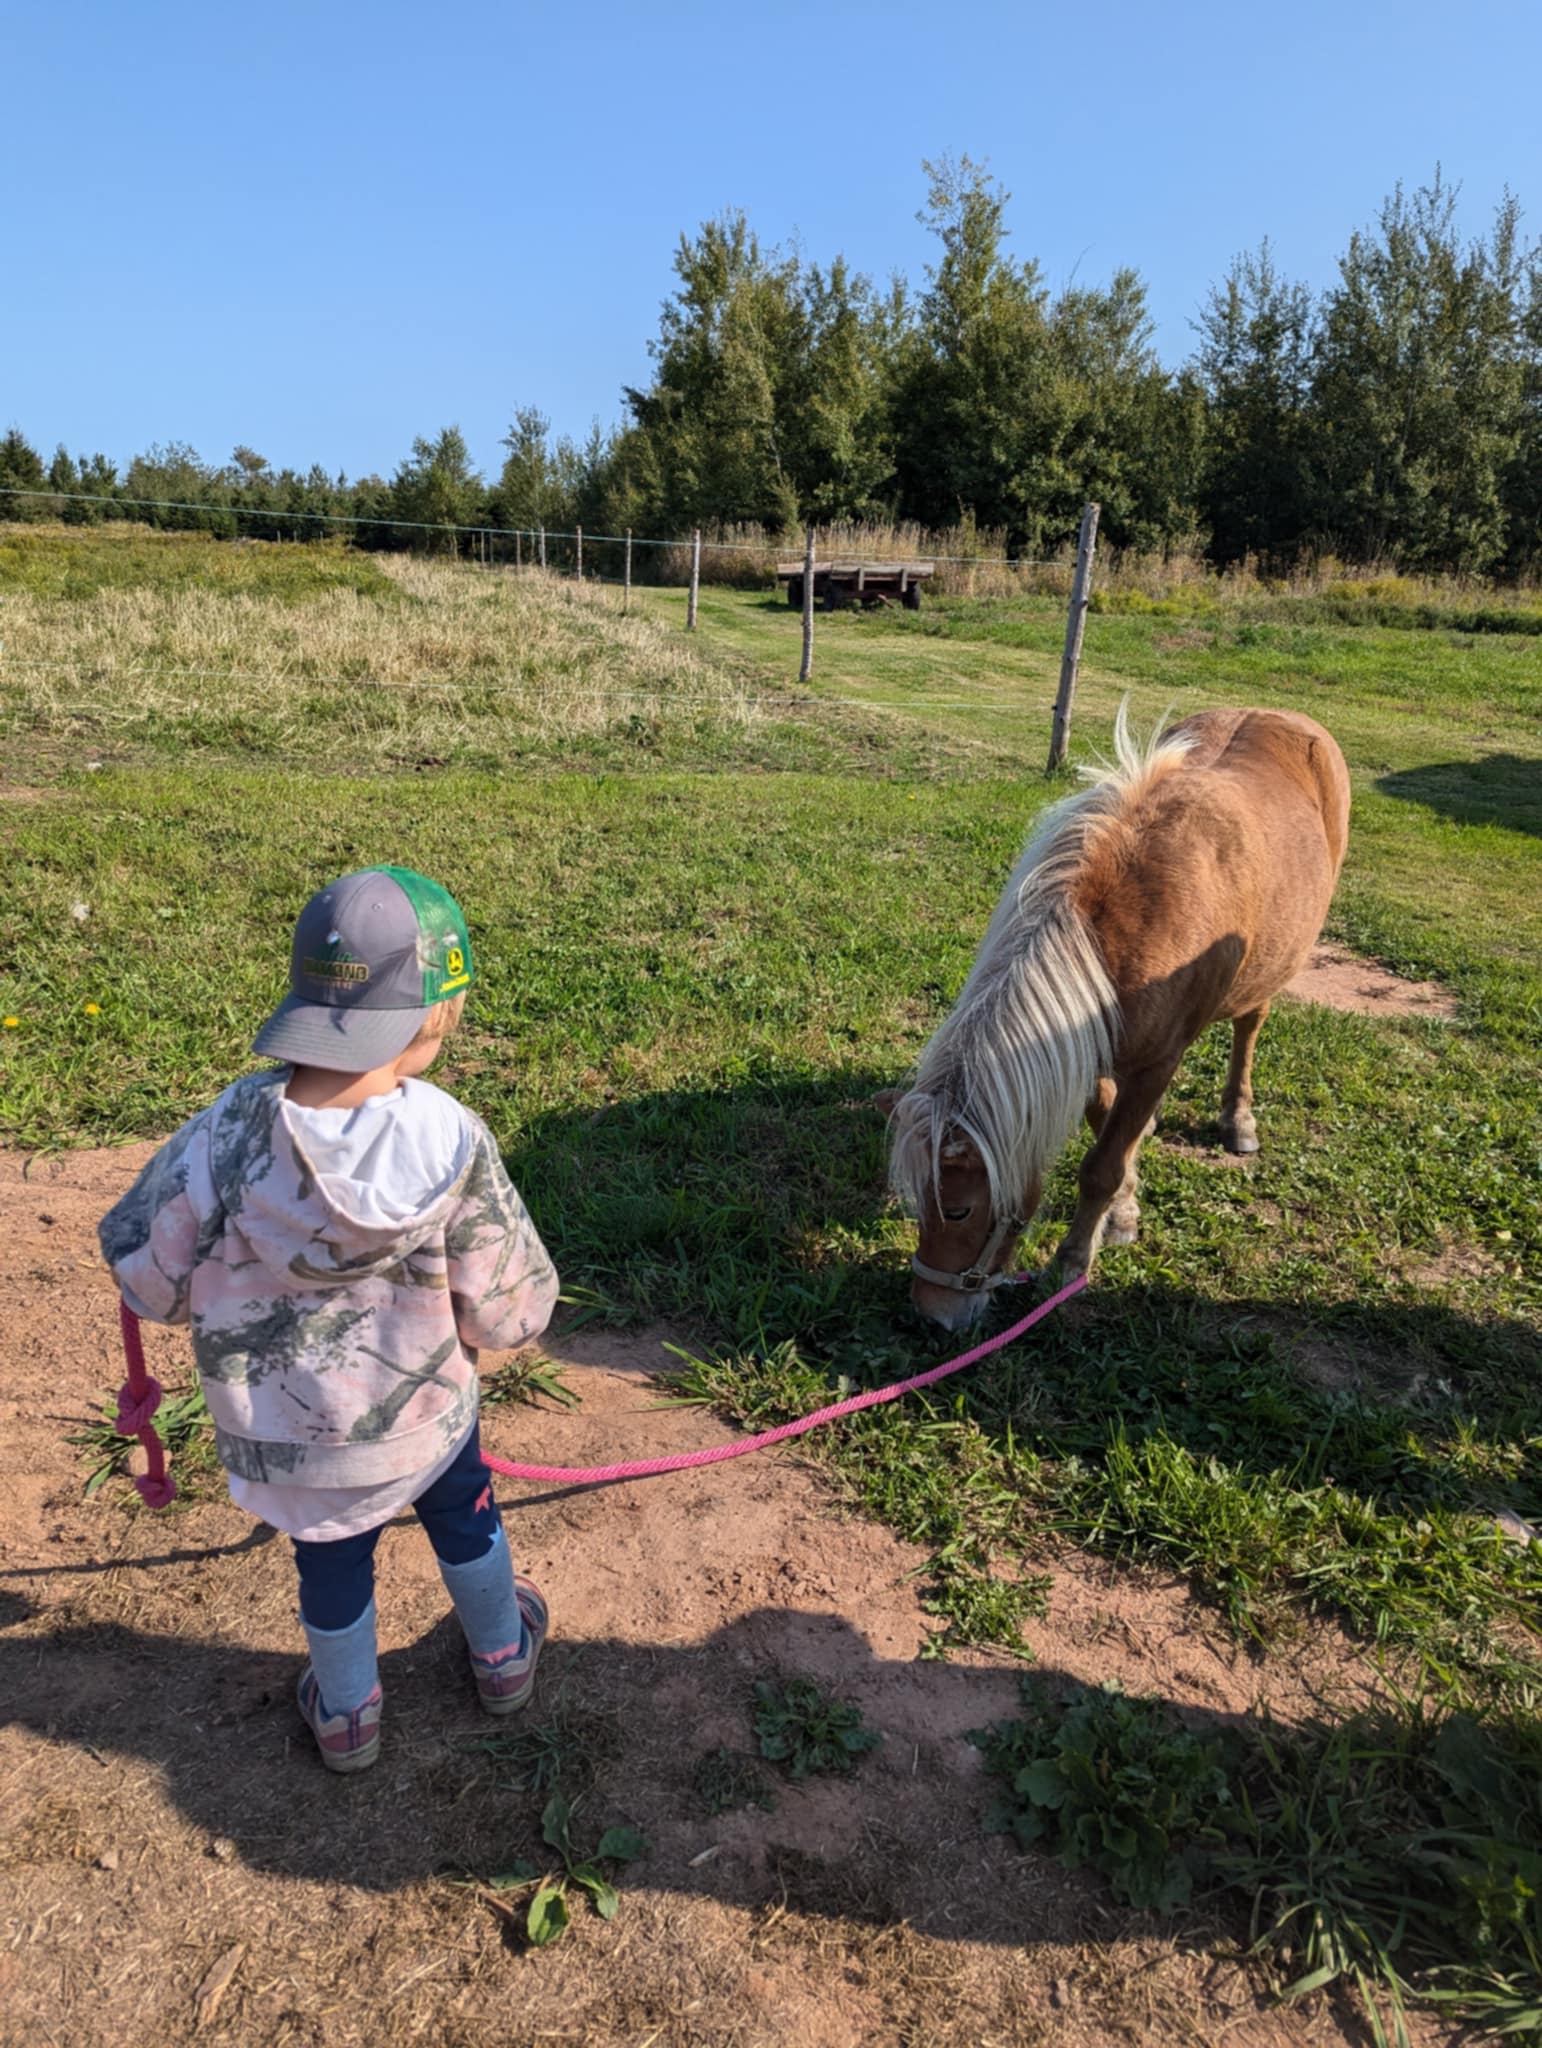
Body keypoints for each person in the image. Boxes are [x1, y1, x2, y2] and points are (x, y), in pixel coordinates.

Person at [98, 866, 558, 1774]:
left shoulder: (223, 1132)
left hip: (293, 1439)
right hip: (426, 1418)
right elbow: (511, 1304)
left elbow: (147, 1274)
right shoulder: (455, 1138)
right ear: (435, 1017)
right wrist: (491, 1333)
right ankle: (503, 1659)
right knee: (466, 1514)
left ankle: (347, 1713)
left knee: (331, 1560)